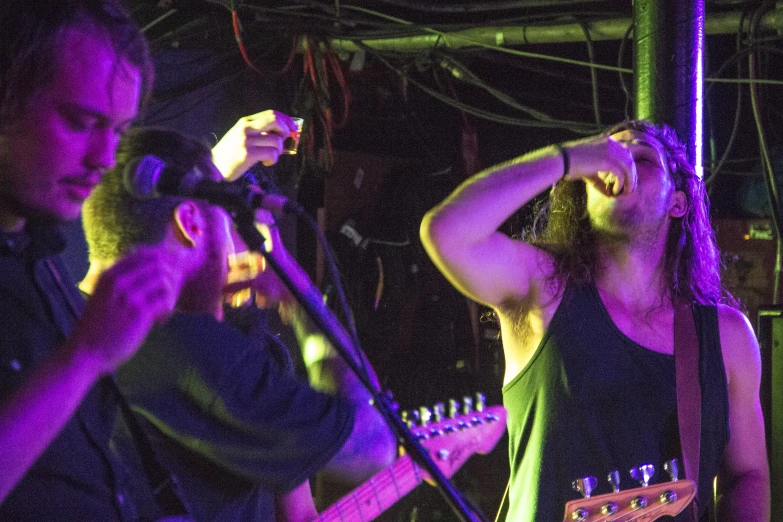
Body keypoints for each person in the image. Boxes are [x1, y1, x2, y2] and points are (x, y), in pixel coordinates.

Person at [419, 120, 770, 521]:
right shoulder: (542, 290)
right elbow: (446, 232)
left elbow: (748, 475)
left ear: (678, 203)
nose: (620, 167)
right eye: (605, 160)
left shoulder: (726, 335)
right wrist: (568, 157)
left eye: (642, 158)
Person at [79, 126, 397, 521]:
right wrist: (296, 292)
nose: (237, 258)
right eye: (229, 231)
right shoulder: (184, 345)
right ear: (191, 223)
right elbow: (373, 446)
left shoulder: (63, 320)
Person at [0, 1, 191, 519]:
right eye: (81, 121)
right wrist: (85, 354)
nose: (103, 158)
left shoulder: (40, 263)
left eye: (119, 132)